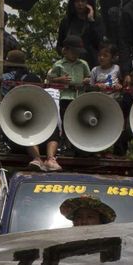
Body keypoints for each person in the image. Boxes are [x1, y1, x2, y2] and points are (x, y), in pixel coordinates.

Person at [47, 36, 93, 168]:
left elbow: (89, 77)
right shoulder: (59, 65)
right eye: (73, 51)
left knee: (79, 120)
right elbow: (50, 79)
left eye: (78, 52)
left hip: (79, 96)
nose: (76, 54)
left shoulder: (83, 64)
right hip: (65, 96)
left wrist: (86, 81)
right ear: (65, 51)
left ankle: (81, 145)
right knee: (66, 121)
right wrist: (60, 79)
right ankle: (67, 146)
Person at [55, 0, 105, 68]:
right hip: (70, 67)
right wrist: (64, 51)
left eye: (83, 1)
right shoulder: (67, 21)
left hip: (90, 66)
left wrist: (91, 20)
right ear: (73, 3)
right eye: (77, 1)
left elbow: (99, 44)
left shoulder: (97, 20)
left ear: (88, 2)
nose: (80, 4)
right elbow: (59, 45)